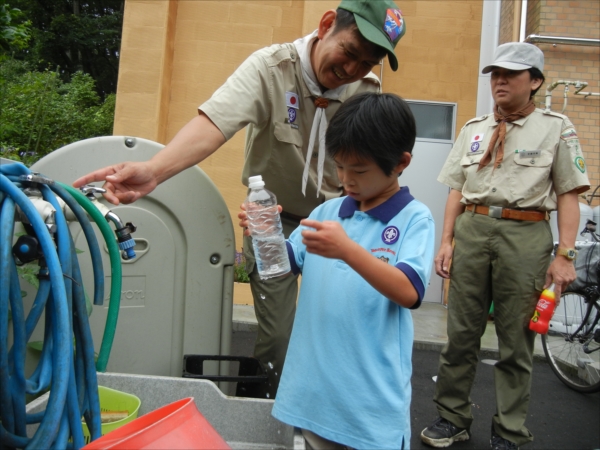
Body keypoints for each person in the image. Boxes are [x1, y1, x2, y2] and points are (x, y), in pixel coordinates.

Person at [72, 0, 407, 398]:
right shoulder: (270, 68)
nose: (352, 70)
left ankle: (329, 416)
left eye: (366, 63)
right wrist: (155, 171)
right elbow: (215, 122)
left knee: (340, 330)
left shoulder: (366, 92)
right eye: (350, 53)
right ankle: (268, 413)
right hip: (270, 220)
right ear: (327, 24)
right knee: (280, 337)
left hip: (339, 220)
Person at [239, 92, 434, 449]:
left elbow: (409, 291)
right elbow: (280, 268)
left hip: (370, 407)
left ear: (400, 162)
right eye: (340, 166)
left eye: (358, 170)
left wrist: (347, 250)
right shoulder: (326, 214)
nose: (346, 179)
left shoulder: (413, 218)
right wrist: (263, 232)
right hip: (314, 398)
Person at [420, 42, 590, 450]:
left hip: (526, 235)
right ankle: (452, 418)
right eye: (495, 73)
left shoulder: (555, 127)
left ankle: (510, 430)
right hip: (473, 229)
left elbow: (569, 193)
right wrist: (447, 241)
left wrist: (565, 255)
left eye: (510, 74)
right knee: (461, 334)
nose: (499, 80)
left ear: (534, 82)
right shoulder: (473, 129)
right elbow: (456, 191)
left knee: (516, 340)